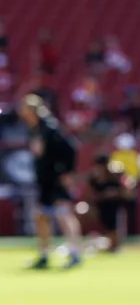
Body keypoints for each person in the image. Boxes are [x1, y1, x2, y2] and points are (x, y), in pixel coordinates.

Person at [19, 94, 83, 269]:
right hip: (44, 179)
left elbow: (71, 148)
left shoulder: (50, 127)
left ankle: (75, 252)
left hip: (56, 178)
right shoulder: (35, 129)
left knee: (63, 214)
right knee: (41, 216)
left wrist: (67, 172)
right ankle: (44, 254)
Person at [88, 154, 131, 252]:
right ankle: (109, 245)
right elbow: (91, 194)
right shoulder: (95, 178)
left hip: (116, 205)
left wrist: (116, 193)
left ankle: (114, 246)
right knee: (107, 226)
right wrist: (103, 195)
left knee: (115, 226)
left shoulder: (116, 174)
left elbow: (127, 190)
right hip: (102, 206)